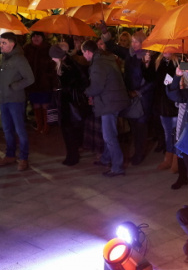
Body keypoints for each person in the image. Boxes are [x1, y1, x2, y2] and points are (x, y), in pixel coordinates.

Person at [0, 32, 35, 171]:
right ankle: (10, 155)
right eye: (1, 42)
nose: (1, 45)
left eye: (4, 42)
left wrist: (14, 86)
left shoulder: (19, 59)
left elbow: (30, 78)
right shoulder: (0, 58)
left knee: (19, 129)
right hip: (4, 99)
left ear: (12, 44)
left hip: (16, 100)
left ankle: (23, 157)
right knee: (7, 129)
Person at [82, 39, 130, 177]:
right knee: (108, 134)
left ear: (88, 52)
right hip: (113, 100)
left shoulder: (98, 65)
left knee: (109, 136)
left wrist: (86, 92)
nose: (84, 56)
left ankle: (117, 167)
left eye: (83, 53)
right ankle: (105, 159)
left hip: (109, 102)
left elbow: (97, 86)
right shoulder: (105, 59)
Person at [50, 43, 88, 166]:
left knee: (69, 131)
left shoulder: (68, 67)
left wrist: (62, 90)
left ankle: (72, 156)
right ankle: (72, 155)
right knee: (69, 131)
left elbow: (76, 84)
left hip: (69, 104)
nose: (52, 59)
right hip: (68, 103)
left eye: (53, 56)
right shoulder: (67, 64)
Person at [124, 31, 156, 165]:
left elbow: (152, 81)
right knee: (134, 126)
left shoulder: (148, 58)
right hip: (130, 95)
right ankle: (136, 152)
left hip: (143, 98)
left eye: (136, 41)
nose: (133, 44)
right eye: (132, 41)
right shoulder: (130, 56)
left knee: (141, 126)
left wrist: (139, 92)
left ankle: (139, 153)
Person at [153, 49, 179, 173]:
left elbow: (174, 82)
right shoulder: (160, 62)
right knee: (168, 133)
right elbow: (157, 81)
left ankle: (175, 161)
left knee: (176, 134)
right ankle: (168, 158)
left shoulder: (179, 62)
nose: (164, 51)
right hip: (163, 103)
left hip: (174, 104)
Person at [23, 31, 55, 134]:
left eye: (38, 36)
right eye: (34, 36)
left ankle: (46, 125)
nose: (36, 38)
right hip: (32, 82)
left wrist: (50, 78)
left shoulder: (48, 48)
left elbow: (52, 66)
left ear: (42, 37)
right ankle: (39, 124)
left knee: (45, 104)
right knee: (36, 104)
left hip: (45, 82)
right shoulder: (27, 49)